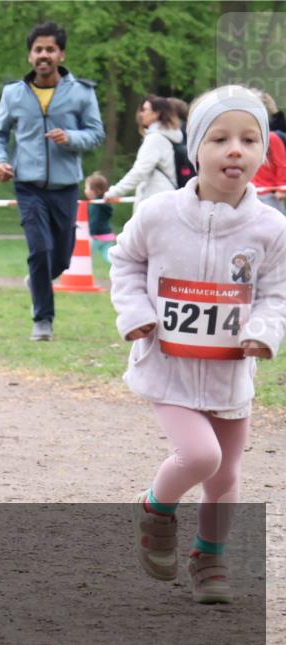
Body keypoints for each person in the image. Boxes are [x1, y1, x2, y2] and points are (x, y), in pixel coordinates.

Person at [110, 85, 286, 604]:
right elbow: (125, 261)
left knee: (226, 473)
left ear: (263, 151)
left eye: (249, 140)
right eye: (220, 139)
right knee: (201, 455)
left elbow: (276, 293)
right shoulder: (159, 213)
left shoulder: (272, 228)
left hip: (230, 372)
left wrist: (263, 331)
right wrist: (136, 314)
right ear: (195, 148)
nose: (236, 150)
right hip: (168, 365)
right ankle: (155, 507)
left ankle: (209, 557)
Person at [0, 21, 105, 342]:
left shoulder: (81, 92)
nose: (44, 55)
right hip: (28, 186)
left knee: (61, 259)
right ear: (30, 56)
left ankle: (38, 280)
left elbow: (96, 133)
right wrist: (0, 162)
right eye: (38, 49)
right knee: (39, 249)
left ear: (61, 54)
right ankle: (43, 319)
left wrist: (71, 138)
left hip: (65, 187)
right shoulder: (13, 93)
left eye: (50, 49)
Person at [104, 96, 181, 209]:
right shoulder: (169, 137)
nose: (140, 114)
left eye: (144, 110)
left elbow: (139, 171)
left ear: (156, 114)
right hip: (167, 198)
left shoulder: (154, 139)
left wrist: (114, 192)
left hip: (155, 202)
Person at [250, 90, 286, 215]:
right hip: (247, 193)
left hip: (268, 194)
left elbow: (282, 164)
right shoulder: (239, 138)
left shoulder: (271, 137)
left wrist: (282, 188)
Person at [84, 172, 115, 265]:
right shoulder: (106, 203)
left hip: (96, 236)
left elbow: (94, 221)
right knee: (109, 257)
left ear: (93, 191)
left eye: (86, 188)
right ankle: (121, 268)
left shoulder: (95, 205)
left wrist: (90, 233)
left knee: (85, 257)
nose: (85, 190)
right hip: (107, 235)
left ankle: (81, 272)